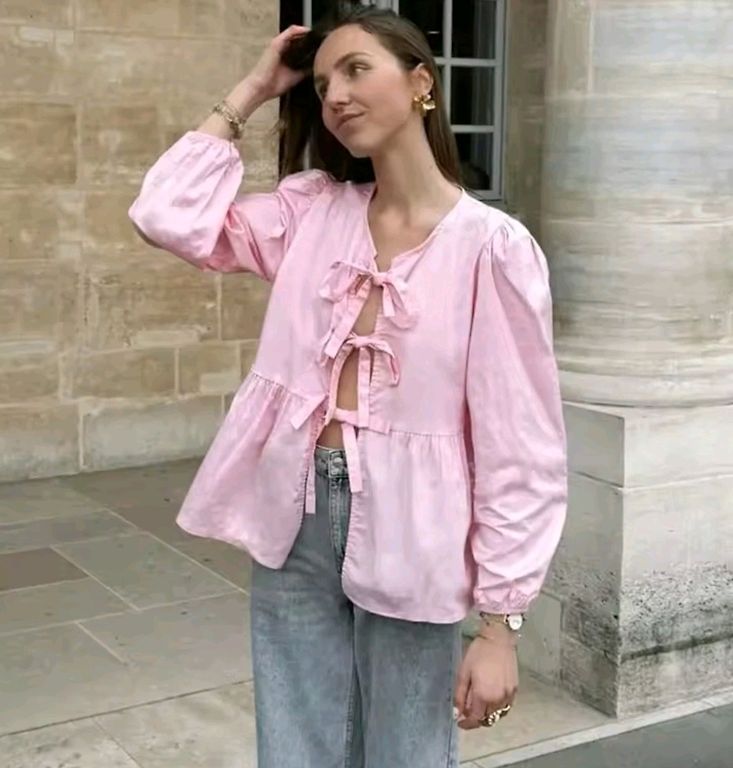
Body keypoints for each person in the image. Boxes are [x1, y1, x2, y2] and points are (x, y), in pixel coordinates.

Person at [129, 5, 567, 767]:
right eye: (323, 83)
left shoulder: (490, 248)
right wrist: (252, 89)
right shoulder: (310, 212)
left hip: (416, 525)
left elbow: (520, 444)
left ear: (421, 82)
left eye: (357, 70)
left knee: (405, 750)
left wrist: (501, 625)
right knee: (293, 745)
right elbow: (165, 216)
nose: (334, 95)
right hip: (292, 510)